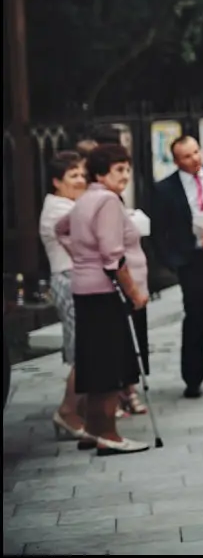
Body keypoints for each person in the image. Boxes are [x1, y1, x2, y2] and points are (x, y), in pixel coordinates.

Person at [56, 144, 151, 455]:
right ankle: (108, 432)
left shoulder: (86, 198)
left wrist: (81, 259)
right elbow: (112, 256)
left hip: (85, 288)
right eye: (118, 170)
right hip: (107, 291)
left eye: (127, 169)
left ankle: (94, 430)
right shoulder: (108, 201)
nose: (124, 176)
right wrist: (135, 293)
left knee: (94, 360)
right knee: (110, 362)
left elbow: (62, 229)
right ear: (100, 173)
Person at [152, 135, 203, 399]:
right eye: (187, 156)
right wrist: (174, 262)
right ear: (176, 161)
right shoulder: (165, 188)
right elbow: (158, 232)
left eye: (197, 152)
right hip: (192, 260)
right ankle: (193, 378)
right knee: (195, 318)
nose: (195, 159)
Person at [39, 151, 88, 440]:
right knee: (82, 350)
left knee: (84, 348)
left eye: (82, 174)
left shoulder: (70, 203)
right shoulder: (59, 209)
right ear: (57, 181)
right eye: (73, 176)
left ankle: (77, 410)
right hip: (69, 280)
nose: (81, 180)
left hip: (76, 279)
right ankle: (67, 410)